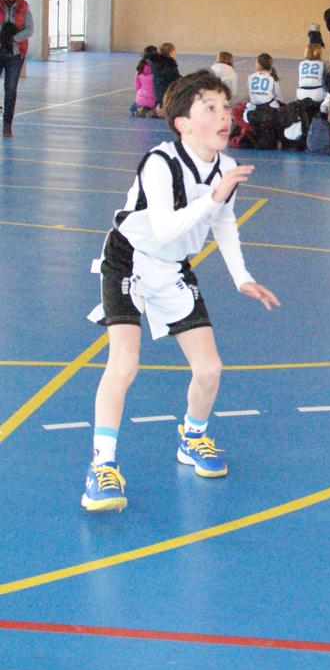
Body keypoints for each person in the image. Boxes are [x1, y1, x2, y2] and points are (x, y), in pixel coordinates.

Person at [82, 70, 280, 512]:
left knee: (209, 369)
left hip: (172, 267)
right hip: (129, 258)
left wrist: (241, 277)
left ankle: (192, 436)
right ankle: (102, 467)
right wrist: (214, 197)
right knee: (125, 362)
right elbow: (165, 225)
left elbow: (223, 223)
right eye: (209, 108)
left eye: (225, 107)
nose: (223, 116)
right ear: (183, 124)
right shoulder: (160, 162)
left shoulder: (225, 168)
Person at [0, 0, 33, 137]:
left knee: (10, 89)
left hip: (15, 53)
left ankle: (7, 125)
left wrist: (13, 38)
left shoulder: (24, 7)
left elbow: (29, 29)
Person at [151, 43, 180, 117]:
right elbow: (176, 80)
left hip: (158, 96)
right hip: (166, 96)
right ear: (171, 52)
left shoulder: (156, 64)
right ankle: (165, 110)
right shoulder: (170, 65)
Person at [132, 45, 157, 117]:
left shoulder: (139, 70)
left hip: (140, 99)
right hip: (153, 100)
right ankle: (150, 111)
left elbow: (137, 87)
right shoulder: (157, 70)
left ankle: (141, 109)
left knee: (133, 107)